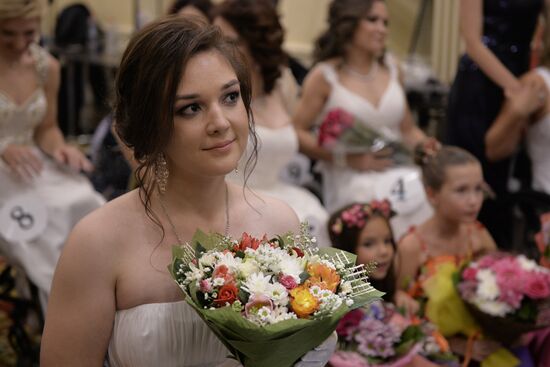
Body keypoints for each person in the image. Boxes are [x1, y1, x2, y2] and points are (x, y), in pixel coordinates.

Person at [41, 17, 336, 366]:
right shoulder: (96, 242)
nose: (220, 123)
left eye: (230, 97)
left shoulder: (279, 221)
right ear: (151, 124)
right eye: (191, 108)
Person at [292, 0, 437, 240]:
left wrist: (426, 147)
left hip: (398, 169)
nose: (382, 29)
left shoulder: (392, 69)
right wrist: (347, 158)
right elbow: (296, 131)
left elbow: (408, 129)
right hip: (350, 175)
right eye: (373, 20)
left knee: (427, 198)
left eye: (385, 23)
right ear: (349, 24)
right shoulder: (325, 76)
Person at [0, 0, 104, 308]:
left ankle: (98, 298)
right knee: (40, 231)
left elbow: (46, 128)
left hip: (31, 164)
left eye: (29, 33)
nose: (20, 44)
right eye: (7, 34)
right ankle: (61, 310)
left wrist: (61, 148)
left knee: (87, 202)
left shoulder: (48, 68)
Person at [213, 0, 330, 246]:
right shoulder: (216, 93)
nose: (218, 50)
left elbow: (299, 131)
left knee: (313, 219)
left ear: (255, 45)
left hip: (282, 191)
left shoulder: (281, 85)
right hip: (231, 198)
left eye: (230, 42)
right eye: (216, 40)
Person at [445, 0, 543, 249]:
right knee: (473, 171)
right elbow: (473, 42)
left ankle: (497, 260)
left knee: (504, 179)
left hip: (521, 75)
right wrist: (515, 88)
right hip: (480, 83)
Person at [396, 147, 507, 364]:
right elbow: (398, 312)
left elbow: (500, 285)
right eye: (461, 190)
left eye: (478, 189)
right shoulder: (413, 247)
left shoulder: (478, 234)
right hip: (433, 348)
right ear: (432, 194)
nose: (474, 200)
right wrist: (454, 344)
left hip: (482, 337)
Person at [328, 200, 418, 314]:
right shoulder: (336, 306)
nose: (384, 251)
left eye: (387, 241)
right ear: (346, 249)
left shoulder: (389, 292)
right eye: (368, 244)